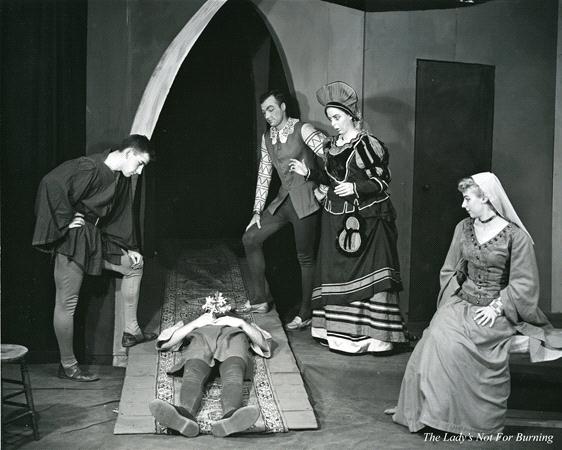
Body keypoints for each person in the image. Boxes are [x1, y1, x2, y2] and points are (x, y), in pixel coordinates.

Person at [391, 172, 562, 436]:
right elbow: (450, 270)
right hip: (461, 303)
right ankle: (432, 415)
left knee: (459, 348)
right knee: (433, 339)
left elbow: (524, 285)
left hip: (498, 310)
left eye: (468, 198)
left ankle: (463, 421)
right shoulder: (463, 228)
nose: (463, 204)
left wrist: (495, 308)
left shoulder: (515, 237)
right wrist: (455, 300)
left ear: (487, 198)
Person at [290, 81, 407, 354]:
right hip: (335, 219)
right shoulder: (332, 146)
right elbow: (331, 179)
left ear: (352, 116)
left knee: (371, 275)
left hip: (366, 220)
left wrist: (355, 187)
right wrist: (308, 173)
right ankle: (338, 336)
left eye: (338, 118)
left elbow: (382, 181)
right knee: (335, 273)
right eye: (330, 119)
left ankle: (372, 338)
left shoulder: (368, 144)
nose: (334, 124)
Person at [32, 134, 157, 381]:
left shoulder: (120, 176)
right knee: (67, 303)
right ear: (129, 154)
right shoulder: (88, 167)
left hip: (95, 240)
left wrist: (130, 247)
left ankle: (131, 330)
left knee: (134, 265)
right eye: (140, 164)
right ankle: (68, 366)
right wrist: (66, 219)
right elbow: (51, 183)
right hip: (73, 243)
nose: (139, 172)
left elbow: (118, 217)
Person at [242, 90, 326, 330]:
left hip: (306, 201)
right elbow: (264, 174)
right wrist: (257, 210)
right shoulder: (267, 137)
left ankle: (305, 312)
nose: (267, 115)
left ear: (283, 106)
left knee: (305, 258)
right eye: (264, 112)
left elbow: (331, 157)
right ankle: (260, 299)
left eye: (271, 109)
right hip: (283, 201)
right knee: (250, 238)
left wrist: (321, 185)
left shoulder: (304, 129)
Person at [149, 310, 272, 437]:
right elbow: (165, 343)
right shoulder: (195, 317)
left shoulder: (238, 318)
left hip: (232, 342)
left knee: (233, 375)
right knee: (193, 375)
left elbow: (265, 343)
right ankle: (184, 416)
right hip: (201, 342)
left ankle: (231, 417)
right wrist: (195, 323)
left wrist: (241, 323)